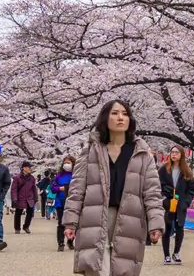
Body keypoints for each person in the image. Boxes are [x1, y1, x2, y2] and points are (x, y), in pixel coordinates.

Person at [62, 99, 164, 276]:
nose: (120, 118)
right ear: (105, 118)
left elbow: (152, 193)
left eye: (125, 114)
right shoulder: (91, 150)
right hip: (95, 218)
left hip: (130, 220)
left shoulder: (142, 154)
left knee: (124, 270)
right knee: (96, 269)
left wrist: (156, 223)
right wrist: (71, 221)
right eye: (115, 113)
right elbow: (76, 189)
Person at [158, 145, 194, 265]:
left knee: (179, 227)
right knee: (167, 228)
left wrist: (187, 202)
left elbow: (191, 189)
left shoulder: (187, 171)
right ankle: (166, 255)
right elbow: (157, 184)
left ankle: (176, 252)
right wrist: (164, 196)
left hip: (181, 203)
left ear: (181, 155)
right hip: (168, 202)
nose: (174, 155)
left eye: (176, 152)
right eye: (172, 152)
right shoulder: (163, 169)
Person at [51, 156, 76, 251]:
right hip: (60, 202)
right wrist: (60, 188)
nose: (67, 164)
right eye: (65, 162)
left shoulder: (76, 175)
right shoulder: (58, 176)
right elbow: (53, 188)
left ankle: (70, 241)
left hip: (72, 202)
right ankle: (60, 243)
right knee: (61, 222)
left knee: (73, 222)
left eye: (69, 162)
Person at [11, 161, 38, 234]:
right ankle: (17, 228)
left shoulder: (32, 178)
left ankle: (26, 226)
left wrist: (35, 197)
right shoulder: (17, 178)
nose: (30, 169)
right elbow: (14, 189)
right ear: (24, 168)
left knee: (30, 213)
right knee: (18, 213)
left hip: (30, 197)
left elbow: (34, 188)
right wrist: (14, 198)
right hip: (20, 197)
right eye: (28, 167)